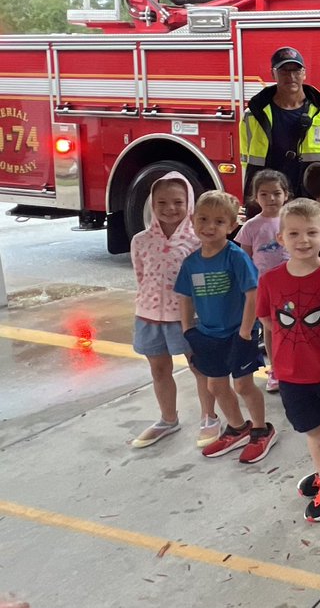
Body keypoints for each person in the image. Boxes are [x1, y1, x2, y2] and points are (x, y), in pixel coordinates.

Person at [256, 199, 320, 522]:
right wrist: (275, 365)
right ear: (281, 238)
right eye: (294, 233)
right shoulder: (270, 281)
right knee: (314, 432)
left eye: (311, 232)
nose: (303, 240)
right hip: (291, 374)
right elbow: (269, 325)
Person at [174, 190, 276, 463]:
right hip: (207, 334)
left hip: (238, 332)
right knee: (216, 386)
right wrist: (187, 329)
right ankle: (237, 427)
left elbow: (253, 293)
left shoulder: (235, 257)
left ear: (231, 226)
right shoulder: (191, 262)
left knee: (243, 385)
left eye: (219, 222)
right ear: (193, 220)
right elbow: (185, 296)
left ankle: (261, 430)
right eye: (203, 219)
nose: (210, 227)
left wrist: (245, 332)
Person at [129, 171, 218, 449]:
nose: (170, 208)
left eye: (178, 202)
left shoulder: (198, 242)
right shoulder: (141, 240)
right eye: (162, 202)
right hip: (148, 315)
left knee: (199, 367)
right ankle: (168, 419)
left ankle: (209, 417)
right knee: (158, 369)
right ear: (152, 203)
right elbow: (141, 275)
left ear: (189, 203)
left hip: (188, 318)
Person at [239, 46, 320, 201]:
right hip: (272, 200)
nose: (291, 76)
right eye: (284, 71)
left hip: (313, 200)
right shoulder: (253, 115)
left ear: (304, 73)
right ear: (273, 73)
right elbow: (247, 161)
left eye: (296, 71)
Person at [234, 169, 291, 393]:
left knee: (292, 325)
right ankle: (275, 369)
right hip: (264, 287)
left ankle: (292, 365)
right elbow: (245, 259)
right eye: (264, 194)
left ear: (286, 194)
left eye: (276, 193)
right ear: (255, 197)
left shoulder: (292, 220)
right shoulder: (251, 226)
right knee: (269, 327)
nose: (271, 199)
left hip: (292, 284)